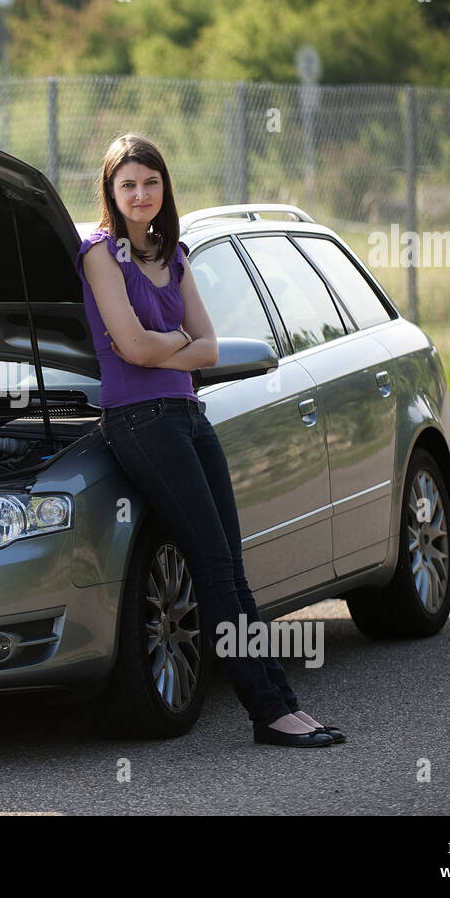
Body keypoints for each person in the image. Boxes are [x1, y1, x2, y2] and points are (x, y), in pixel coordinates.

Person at [75, 133, 344, 747]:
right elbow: (139, 347)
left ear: (164, 188)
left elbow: (212, 347)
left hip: (189, 414)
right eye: (127, 185)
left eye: (150, 183)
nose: (140, 195)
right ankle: (270, 713)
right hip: (139, 422)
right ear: (111, 193)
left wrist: (158, 342)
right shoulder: (99, 253)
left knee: (230, 566)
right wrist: (170, 345)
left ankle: (282, 704)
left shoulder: (176, 253)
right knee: (214, 568)